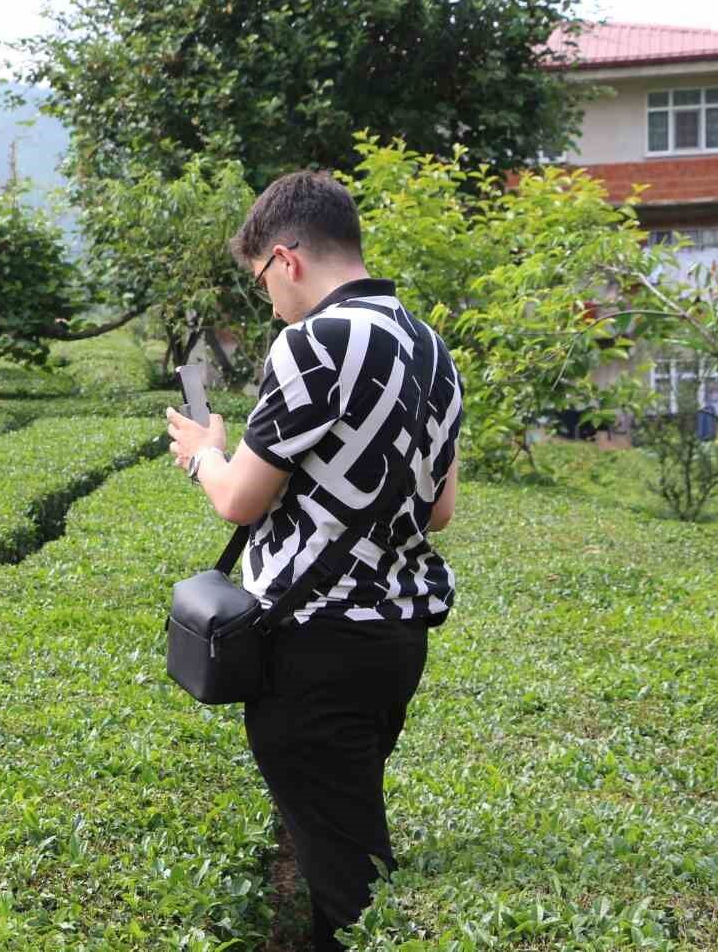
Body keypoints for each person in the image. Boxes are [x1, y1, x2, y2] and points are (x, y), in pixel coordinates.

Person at [165, 172, 462, 951]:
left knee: (349, 881)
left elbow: (240, 499)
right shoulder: (432, 348)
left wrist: (204, 452)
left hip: (312, 646)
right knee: (346, 836)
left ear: (287, 258)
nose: (269, 302)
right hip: (396, 641)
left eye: (262, 278)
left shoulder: (312, 342)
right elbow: (438, 509)